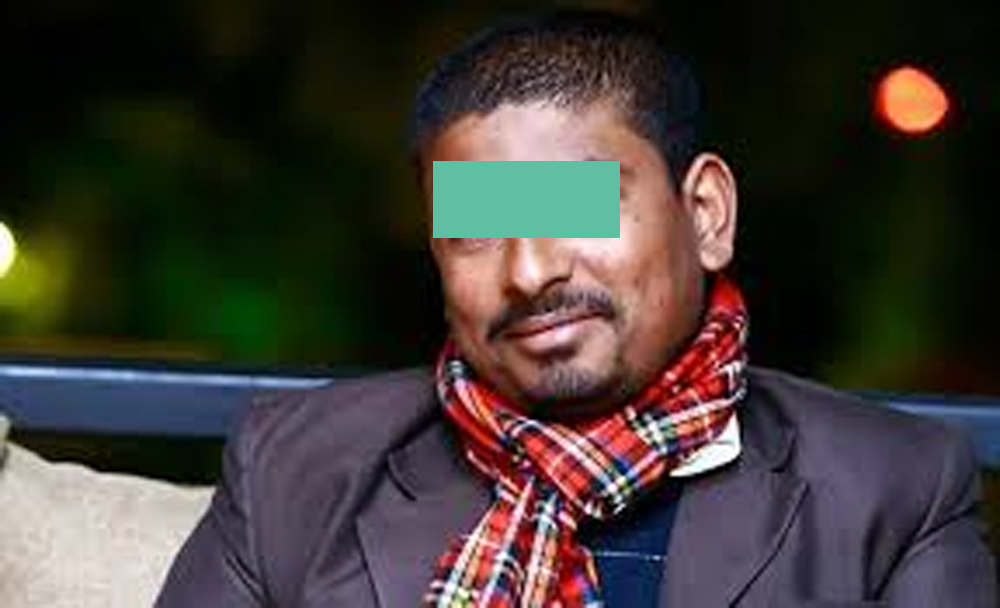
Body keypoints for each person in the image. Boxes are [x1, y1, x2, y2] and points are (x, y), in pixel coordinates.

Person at [156, 10, 996, 607]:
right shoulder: (296, 467)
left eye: (575, 208)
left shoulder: (894, 488)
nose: (529, 272)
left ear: (706, 214)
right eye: (476, 230)